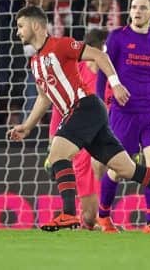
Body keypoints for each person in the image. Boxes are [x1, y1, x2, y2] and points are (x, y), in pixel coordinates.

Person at [8, 5, 150, 232]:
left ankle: (68, 214)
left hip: (86, 107)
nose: (18, 32)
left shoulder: (61, 44)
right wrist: (27, 126)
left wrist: (115, 83)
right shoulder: (35, 63)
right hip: (82, 115)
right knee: (128, 169)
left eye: (21, 26)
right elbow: (43, 98)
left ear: (36, 25)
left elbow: (99, 55)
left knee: (58, 154)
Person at [94, 0, 150, 233]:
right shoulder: (118, 38)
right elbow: (102, 72)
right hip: (123, 113)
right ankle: (104, 216)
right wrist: (101, 106)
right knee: (119, 169)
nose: (137, 11)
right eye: (133, 7)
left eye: (143, 8)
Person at [47, 28, 109, 230]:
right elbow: (60, 107)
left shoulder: (113, 77)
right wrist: (52, 143)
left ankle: (103, 219)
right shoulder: (75, 72)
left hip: (104, 141)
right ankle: (88, 222)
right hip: (80, 145)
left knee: (104, 167)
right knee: (89, 217)